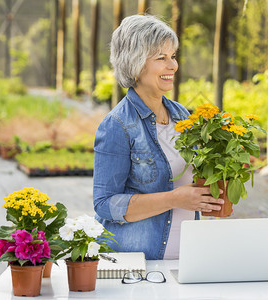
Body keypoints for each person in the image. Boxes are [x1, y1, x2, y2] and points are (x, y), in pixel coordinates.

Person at [93, 14, 223, 260]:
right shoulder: (117, 125)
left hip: (188, 259)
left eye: (172, 56)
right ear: (136, 63)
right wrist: (174, 199)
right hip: (140, 263)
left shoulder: (181, 115)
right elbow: (105, 204)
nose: (173, 65)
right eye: (161, 58)